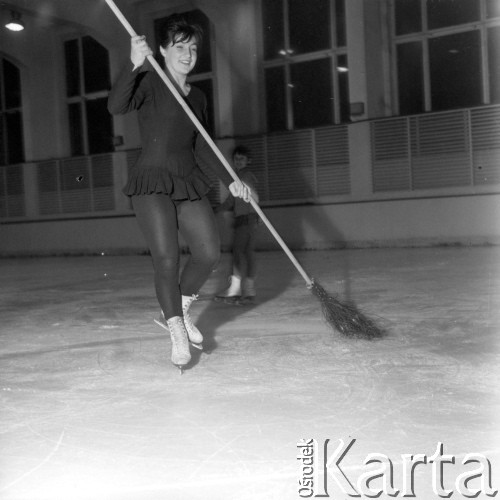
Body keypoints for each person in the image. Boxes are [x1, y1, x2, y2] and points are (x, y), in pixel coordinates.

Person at [108, 14, 252, 372]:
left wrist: (230, 178)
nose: (187, 54)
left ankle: (179, 307)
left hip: (186, 180)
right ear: (163, 49)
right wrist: (133, 64)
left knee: (208, 252)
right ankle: (174, 328)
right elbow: (115, 106)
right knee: (167, 258)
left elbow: (203, 146)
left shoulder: (198, 96)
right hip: (151, 181)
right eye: (179, 46)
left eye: (192, 48)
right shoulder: (150, 82)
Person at [214, 146, 260, 304]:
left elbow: (253, 195)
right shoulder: (237, 177)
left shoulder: (246, 175)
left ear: (248, 161)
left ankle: (237, 290)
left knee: (239, 253)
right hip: (243, 220)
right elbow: (230, 201)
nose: (238, 162)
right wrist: (215, 209)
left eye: (242, 159)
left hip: (248, 219)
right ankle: (247, 291)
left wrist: (246, 189)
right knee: (245, 253)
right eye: (236, 159)